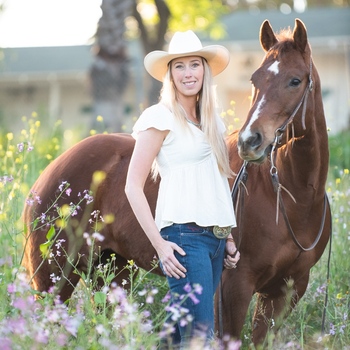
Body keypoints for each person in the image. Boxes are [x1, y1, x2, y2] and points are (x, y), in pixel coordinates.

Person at [125, 30, 240, 347]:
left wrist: (227, 236)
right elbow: (133, 186)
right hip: (184, 239)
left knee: (179, 336)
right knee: (200, 337)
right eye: (179, 66)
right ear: (170, 74)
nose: (188, 73)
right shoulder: (159, 117)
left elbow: (217, 180)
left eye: (194, 64)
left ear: (205, 70)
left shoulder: (213, 122)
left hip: (214, 242)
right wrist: (160, 245)